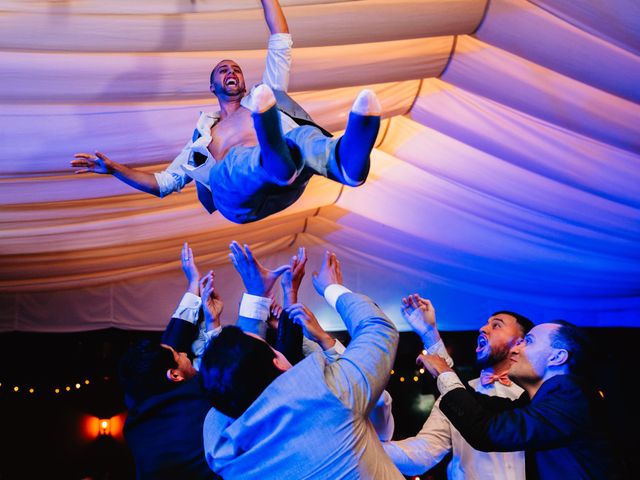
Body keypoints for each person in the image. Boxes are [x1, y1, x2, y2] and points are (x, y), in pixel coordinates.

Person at [71, 0, 381, 224]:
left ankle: (344, 163)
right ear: (213, 87)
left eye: (235, 68)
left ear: (243, 81)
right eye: (223, 70)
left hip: (288, 180)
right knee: (233, 162)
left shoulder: (264, 94)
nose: (231, 72)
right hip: (238, 201)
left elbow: (280, 39)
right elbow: (162, 184)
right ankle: (273, 161)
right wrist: (114, 169)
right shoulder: (202, 142)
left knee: (300, 136)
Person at [199, 248, 404, 478]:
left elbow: (228, 378)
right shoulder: (331, 395)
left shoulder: (223, 453)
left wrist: (258, 294)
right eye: (272, 346)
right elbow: (378, 328)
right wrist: (332, 288)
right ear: (279, 362)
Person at [419, 320, 623, 479]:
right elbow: (479, 404)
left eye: (529, 341)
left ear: (557, 357)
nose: (515, 349)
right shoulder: (541, 401)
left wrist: (445, 373)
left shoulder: (571, 393)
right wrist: (437, 353)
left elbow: (485, 430)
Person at [382, 294, 533, 479]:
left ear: (520, 343)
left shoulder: (535, 395)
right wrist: (363, 445)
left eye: (497, 325)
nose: (483, 329)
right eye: (486, 324)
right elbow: (423, 452)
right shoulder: (456, 395)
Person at [118, 243, 221, 480]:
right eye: (179, 356)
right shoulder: (196, 404)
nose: (184, 354)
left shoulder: (140, 407)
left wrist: (193, 284)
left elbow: (169, 344)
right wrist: (213, 322)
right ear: (174, 375)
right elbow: (224, 370)